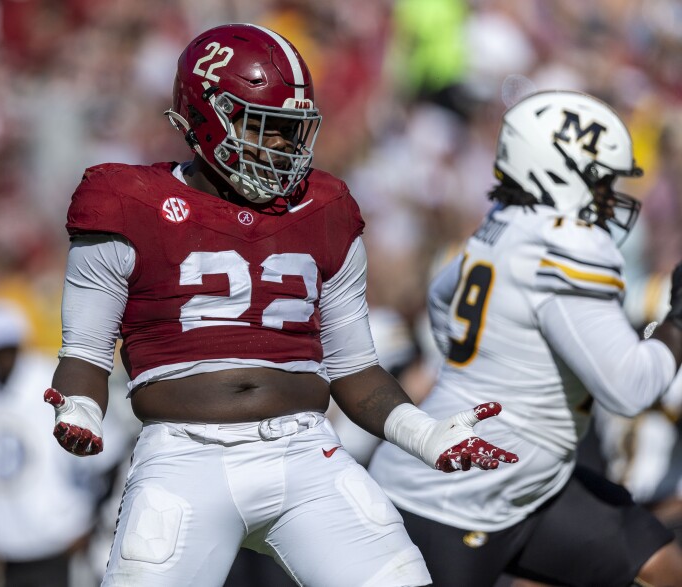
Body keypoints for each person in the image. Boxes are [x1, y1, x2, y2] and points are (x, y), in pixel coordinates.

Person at [40, 23, 518, 587]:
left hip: (303, 449)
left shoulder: (325, 207)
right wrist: (80, 408)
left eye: (294, 132)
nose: (285, 148)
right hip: (184, 455)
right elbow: (85, 354)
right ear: (207, 118)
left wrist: (425, 433)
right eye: (266, 129)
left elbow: (354, 370)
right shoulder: (126, 201)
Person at [367, 90, 682, 587]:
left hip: (532, 482)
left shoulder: (505, 224)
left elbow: (441, 301)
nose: (611, 195)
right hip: (452, 499)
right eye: (601, 180)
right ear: (557, 173)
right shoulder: (565, 245)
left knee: (657, 565)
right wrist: (675, 324)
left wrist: (496, 365)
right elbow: (631, 389)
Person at [0, 299, 130, 587]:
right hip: (3, 546)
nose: (2, 358)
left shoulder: (51, 380)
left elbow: (108, 452)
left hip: (58, 542)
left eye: (8, 348)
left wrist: (92, 520)